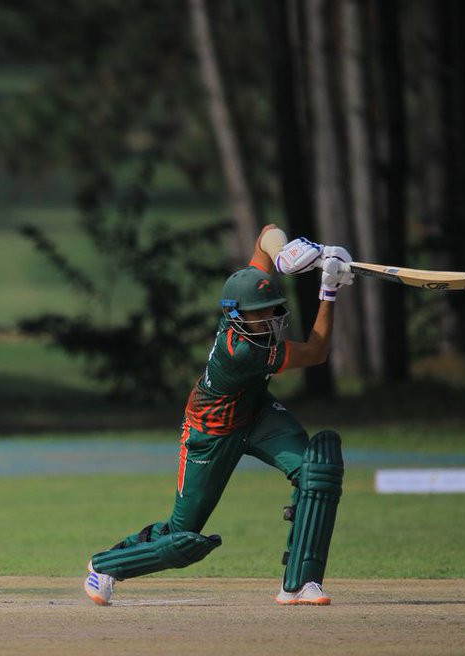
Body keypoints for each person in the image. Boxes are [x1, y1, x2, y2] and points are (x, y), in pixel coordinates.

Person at [83, 225, 352, 607]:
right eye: (259, 314)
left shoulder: (243, 302)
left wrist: (286, 253)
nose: (270, 318)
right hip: (211, 433)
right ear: (236, 316)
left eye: (272, 308)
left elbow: (266, 234)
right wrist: (328, 291)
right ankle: (106, 566)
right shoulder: (243, 352)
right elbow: (316, 352)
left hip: (256, 413)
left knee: (316, 469)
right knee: (182, 534)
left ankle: (300, 582)